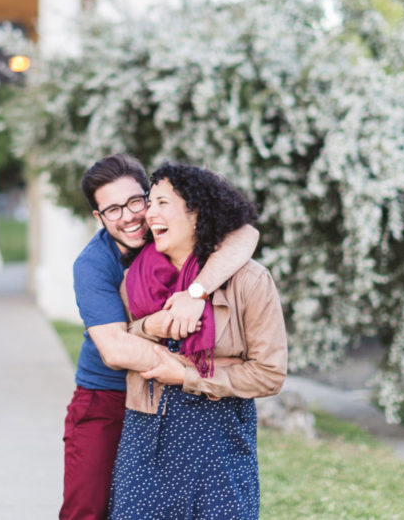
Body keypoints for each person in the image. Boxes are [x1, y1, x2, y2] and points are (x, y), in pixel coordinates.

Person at [61, 154, 259, 520]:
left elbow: (246, 234)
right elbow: (116, 349)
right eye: (112, 210)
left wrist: (196, 292)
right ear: (99, 218)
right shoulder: (93, 264)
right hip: (107, 396)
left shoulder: (171, 230)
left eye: (136, 201)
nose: (130, 216)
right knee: (87, 509)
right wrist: (198, 371)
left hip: (166, 400)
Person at [109, 163, 287, 520]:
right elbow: (120, 345)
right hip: (146, 440)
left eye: (161, 202)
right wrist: (150, 327)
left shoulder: (250, 282)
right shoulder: (135, 280)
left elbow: (270, 373)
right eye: (149, 202)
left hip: (218, 445)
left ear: (196, 213)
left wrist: (187, 375)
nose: (149, 212)